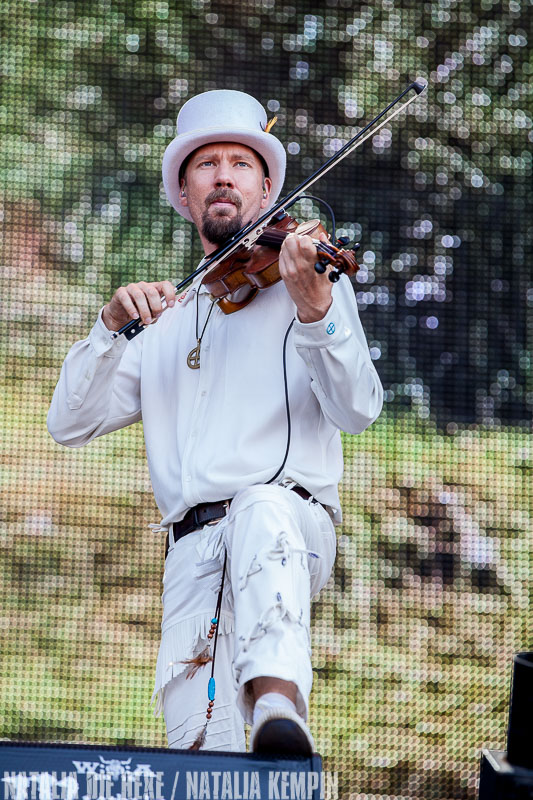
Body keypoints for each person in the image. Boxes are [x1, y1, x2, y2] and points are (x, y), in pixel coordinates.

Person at [48, 90, 383, 755]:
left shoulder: (309, 280)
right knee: (204, 761)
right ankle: (256, 733)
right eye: (207, 164)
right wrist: (110, 329)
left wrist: (316, 313)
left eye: (240, 162)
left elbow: (358, 409)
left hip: (289, 529)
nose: (223, 175)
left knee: (259, 507)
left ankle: (278, 699)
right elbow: (68, 423)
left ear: (265, 188)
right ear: (183, 190)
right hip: (192, 557)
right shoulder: (162, 319)